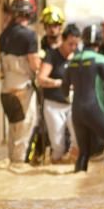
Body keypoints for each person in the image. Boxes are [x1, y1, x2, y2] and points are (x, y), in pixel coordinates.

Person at [62, 24, 104, 172]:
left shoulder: (72, 60)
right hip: (93, 109)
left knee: (84, 153)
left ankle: (81, 181)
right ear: (99, 42)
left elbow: (64, 88)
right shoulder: (100, 60)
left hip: (76, 112)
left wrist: (69, 97)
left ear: (83, 41)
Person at [0, 0, 41, 163]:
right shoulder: (29, 36)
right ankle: (18, 169)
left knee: (13, 130)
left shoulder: (4, 34)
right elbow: (34, 63)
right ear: (30, 13)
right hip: (23, 89)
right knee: (23, 133)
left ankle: (11, 165)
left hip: (6, 89)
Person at [36, 24, 81, 163]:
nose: (73, 48)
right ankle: (55, 166)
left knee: (78, 139)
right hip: (53, 105)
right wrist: (58, 83)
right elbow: (41, 79)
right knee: (58, 145)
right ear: (62, 39)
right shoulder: (52, 55)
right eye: (70, 44)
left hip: (73, 104)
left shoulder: (78, 55)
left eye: (76, 44)